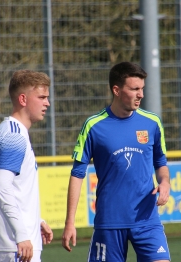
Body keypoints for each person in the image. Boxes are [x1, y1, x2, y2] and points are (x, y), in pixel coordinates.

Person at [62, 62, 171, 262]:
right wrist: (70, 221)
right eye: (135, 89)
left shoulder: (152, 123)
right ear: (117, 90)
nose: (141, 95)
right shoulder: (93, 126)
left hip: (147, 219)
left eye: (142, 89)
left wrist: (165, 182)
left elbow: (160, 161)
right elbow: (78, 173)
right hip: (109, 221)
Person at [0, 70, 53, 262]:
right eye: (42, 97)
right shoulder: (14, 136)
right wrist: (22, 234)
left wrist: (36, 221)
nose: (47, 102)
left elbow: (14, 189)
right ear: (23, 99)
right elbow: (2, 186)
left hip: (10, 243)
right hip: (15, 245)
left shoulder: (6, 131)